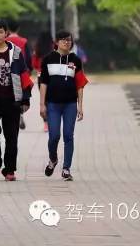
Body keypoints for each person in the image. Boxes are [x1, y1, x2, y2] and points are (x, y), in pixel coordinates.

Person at [0, 19, 33, 181]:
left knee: (12, 136)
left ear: (6, 33)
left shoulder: (15, 51)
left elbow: (24, 75)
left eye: (0, 31)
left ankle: (10, 169)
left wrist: (25, 100)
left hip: (12, 100)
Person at [39, 29, 88, 181]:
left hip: (70, 104)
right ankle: (53, 159)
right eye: (63, 40)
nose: (67, 42)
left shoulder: (75, 60)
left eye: (69, 40)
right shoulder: (48, 59)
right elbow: (43, 83)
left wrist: (80, 106)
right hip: (52, 104)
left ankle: (66, 168)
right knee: (54, 135)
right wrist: (42, 104)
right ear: (57, 42)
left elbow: (80, 84)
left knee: (68, 135)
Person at [6, 21, 32, 129]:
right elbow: (28, 58)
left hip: (6, 71)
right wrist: (28, 70)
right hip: (21, 71)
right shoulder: (23, 41)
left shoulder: (4, 40)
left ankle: (11, 115)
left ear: (7, 29)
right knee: (20, 94)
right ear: (18, 28)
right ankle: (19, 113)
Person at [33, 30, 55, 131]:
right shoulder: (54, 47)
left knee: (44, 99)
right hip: (53, 75)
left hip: (41, 76)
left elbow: (34, 64)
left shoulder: (37, 48)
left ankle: (46, 124)